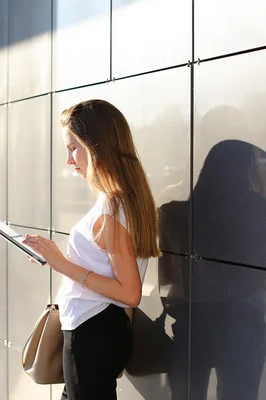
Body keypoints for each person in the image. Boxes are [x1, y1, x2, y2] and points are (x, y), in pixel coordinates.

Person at [22, 99, 162, 400]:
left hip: (93, 332)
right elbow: (101, 267)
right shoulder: (117, 202)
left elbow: (130, 293)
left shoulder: (113, 208)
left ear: (97, 145)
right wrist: (53, 257)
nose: (69, 160)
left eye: (74, 148)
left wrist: (61, 263)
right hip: (94, 329)